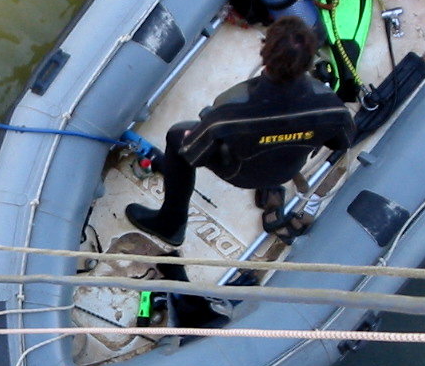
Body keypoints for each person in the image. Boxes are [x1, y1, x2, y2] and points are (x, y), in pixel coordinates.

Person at [126, 15, 355, 247]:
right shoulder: (332, 107)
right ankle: (269, 186)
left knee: (177, 136)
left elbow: (194, 153)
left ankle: (171, 224)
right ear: (310, 61)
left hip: (242, 173)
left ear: (265, 52)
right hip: (286, 170)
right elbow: (342, 142)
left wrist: (195, 137)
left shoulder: (230, 108)